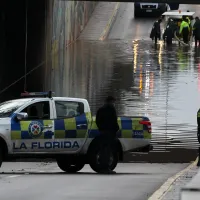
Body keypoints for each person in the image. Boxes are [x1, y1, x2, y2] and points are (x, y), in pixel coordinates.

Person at [96, 96, 119, 174]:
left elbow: (97, 120)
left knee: (102, 150)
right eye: (113, 101)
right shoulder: (111, 109)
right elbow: (114, 121)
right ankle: (106, 168)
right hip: (110, 132)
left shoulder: (101, 109)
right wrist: (116, 129)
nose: (114, 103)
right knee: (108, 150)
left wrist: (101, 128)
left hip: (102, 132)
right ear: (111, 101)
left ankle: (102, 167)